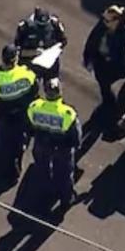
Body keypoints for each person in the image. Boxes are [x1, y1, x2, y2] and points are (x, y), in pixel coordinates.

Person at [82, 5, 125, 117]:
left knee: (107, 82)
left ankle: (113, 107)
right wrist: (87, 58)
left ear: (116, 21)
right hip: (100, 61)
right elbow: (91, 40)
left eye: (107, 20)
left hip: (116, 65)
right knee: (103, 83)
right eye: (103, 18)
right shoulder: (102, 25)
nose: (104, 22)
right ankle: (109, 102)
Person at [26, 78, 82, 207]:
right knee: (64, 174)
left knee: (42, 168)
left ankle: (45, 193)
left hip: (42, 143)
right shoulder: (67, 113)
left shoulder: (35, 107)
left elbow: (29, 126)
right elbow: (76, 134)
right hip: (62, 148)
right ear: (60, 92)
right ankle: (66, 198)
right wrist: (76, 146)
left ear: (45, 92)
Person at [0, 44, 38, 176]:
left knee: (3, 143)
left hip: (3, 116)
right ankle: (15, 168)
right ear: (16, 59)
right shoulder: (27, 75)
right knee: (19, 144)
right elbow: (34, 92)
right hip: (21, 117)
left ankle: (5, 165)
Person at [14, 7, 68, 77]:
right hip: (29, 62)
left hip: (49, 62)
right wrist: (32, 52)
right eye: (40, 26)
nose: (43, 28)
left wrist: (55, 50)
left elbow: (63, 41)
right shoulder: (24, 27)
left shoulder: (55, 25)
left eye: (45, 25)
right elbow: (17, 50)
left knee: (53, 85)